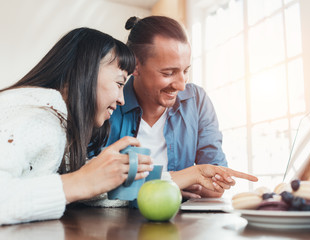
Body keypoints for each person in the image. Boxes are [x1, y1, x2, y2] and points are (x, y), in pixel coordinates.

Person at [0, 27, 255, 225]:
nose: (121, 100)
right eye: (120, 83)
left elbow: (102, 191)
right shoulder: (38, 119)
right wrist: (79, 182)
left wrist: (185, 175)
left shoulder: (58, 122)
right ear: (86, 74)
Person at [106, 16, 257, 199]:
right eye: (168, 73)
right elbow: (96, 181)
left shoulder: (197, 101)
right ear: (135, 66)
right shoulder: (109, 103)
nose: (181, 86)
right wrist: (177, 181)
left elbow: (215, 183)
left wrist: (187, 182)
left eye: (185, 71)